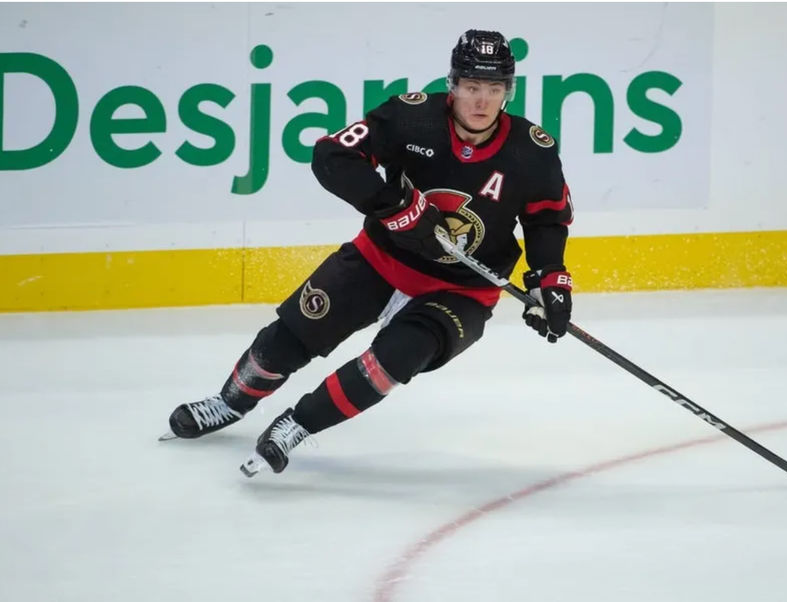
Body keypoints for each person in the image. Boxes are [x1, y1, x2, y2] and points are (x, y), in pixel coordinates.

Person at [163, 29, 575, 477]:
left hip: (463, 290)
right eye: (472, 87)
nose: (482, 101)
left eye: (494, 89)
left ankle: (297, 425)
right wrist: (392, 207)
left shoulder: (532, 152)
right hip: (381, 258)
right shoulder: (409, 118)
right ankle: (229, 403)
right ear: (453, 84)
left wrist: (551, 279)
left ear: (507, 92)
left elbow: (547, 220)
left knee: (395, 358)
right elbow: (330, 156)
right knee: (295, 332)